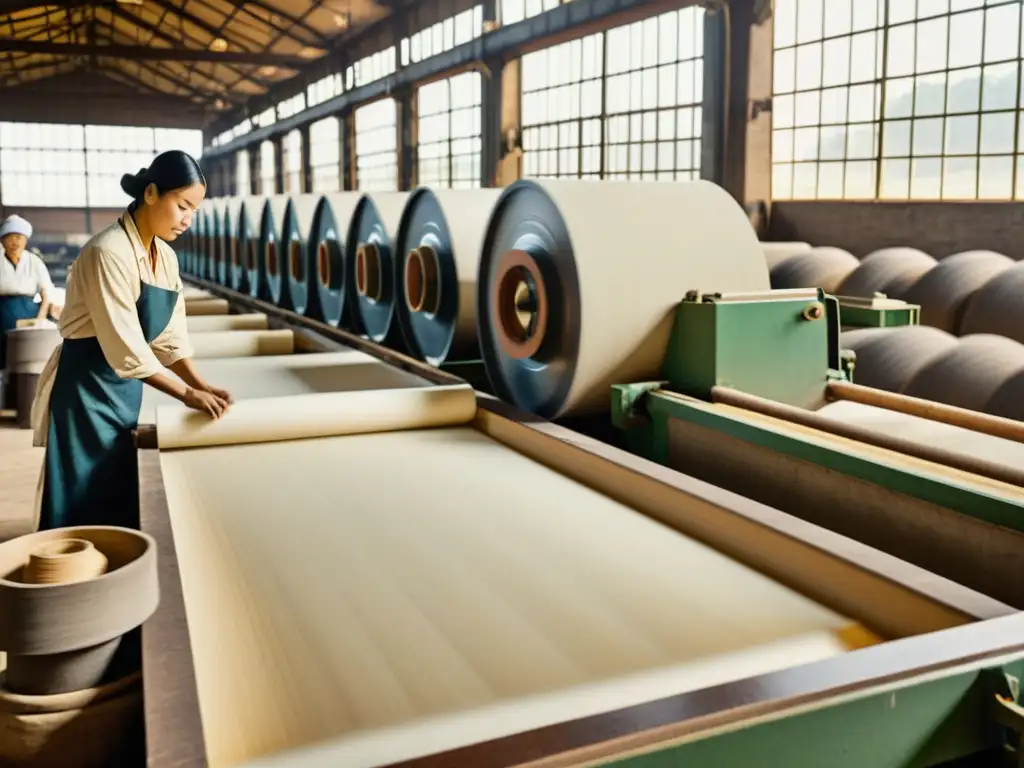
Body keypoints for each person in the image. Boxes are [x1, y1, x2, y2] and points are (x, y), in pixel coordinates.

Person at [31, 150, 233, 531]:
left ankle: (110, 563)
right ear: (152, 193)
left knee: (113, 485)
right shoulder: (108, 252)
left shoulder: (166, 258)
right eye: (182, 205)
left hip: (123, 389)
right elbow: (126, 348)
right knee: (80, 491)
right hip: (85, 390)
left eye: (194, 211)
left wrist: (202, 385)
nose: (187, 220)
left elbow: (170, 339)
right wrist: (187, 396)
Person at [0, 214, 59, 369]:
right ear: (2, 241)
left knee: (27, 356)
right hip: (2, 311)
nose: (15, 242)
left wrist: (39, 320)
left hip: (29, 312)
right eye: (11, 237)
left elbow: (46, 294)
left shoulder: (34, 261)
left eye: (19, 237)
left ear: (26, 240)